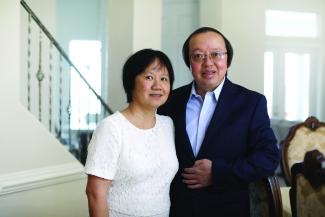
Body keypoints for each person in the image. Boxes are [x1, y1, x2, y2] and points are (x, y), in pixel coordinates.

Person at [158, 27, 279, 217]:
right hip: (175, 209)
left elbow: (268, 158)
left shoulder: (251, 103)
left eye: (216, 54)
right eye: (198, 56)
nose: (208, 63)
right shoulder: (169, 101)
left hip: (227, 209)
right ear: (189, 63)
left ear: (227, 60)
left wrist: (218, 173)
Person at [85, 49, 179, 217]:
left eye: (164, 79)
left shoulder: (168, 125)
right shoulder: (112, 128)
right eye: (149, 77)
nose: (158, 86)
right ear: (131, 82)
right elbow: (94, 194)